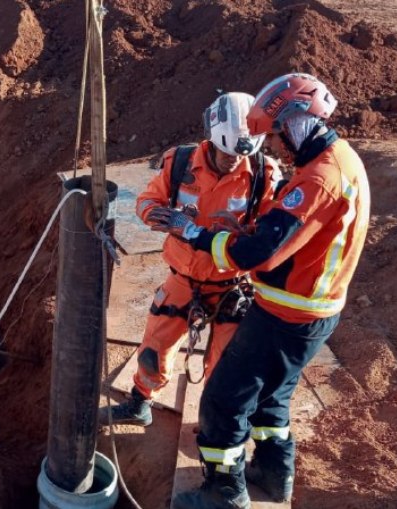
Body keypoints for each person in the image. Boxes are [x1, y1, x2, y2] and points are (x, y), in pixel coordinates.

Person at [163, 74, 371, 509]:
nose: (274, 147)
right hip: (311, 310)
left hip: (286, 315)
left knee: (224, 399)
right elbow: (294, 234)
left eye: (276, 135)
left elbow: (256, 254)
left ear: (299, 122)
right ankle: (276, 475)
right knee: (272, 396)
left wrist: (197, 234)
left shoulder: (318, 180)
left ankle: (224, 492)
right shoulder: (342, 158)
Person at [106, 92, 280, 427]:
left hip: (232, 285)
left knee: (225, 366)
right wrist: (157, 215)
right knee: (153, 350)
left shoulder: (263, 174)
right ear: (212, 138)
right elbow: (147, 199)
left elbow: (271, 233)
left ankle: (214, 427)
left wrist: (244, 235)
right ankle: (140, 401)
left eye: (238, 154)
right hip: (184, 279)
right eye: (225, 151)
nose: (232, 160)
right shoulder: (181, 163)